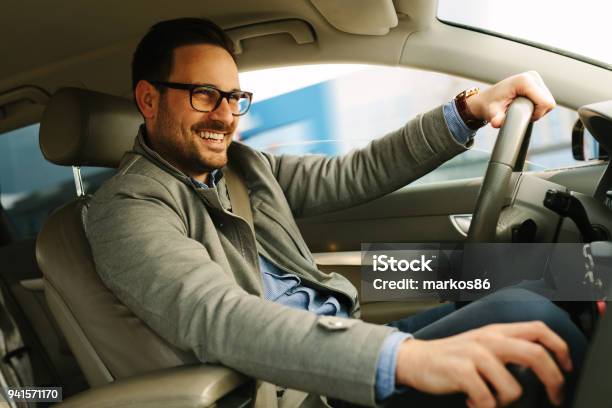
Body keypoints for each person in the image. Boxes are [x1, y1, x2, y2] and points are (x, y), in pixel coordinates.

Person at [85, 17, 587, 408]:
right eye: (204, 95)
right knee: (528, 324)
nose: (224, 115)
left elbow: (355, 172)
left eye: (235, 98)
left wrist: (470, 109)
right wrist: (406, 358)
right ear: (149, 100)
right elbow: (215, 314)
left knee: (549, 287)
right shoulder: (127, 208)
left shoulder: (242, 166)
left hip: (348, 338)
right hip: (299, 387)